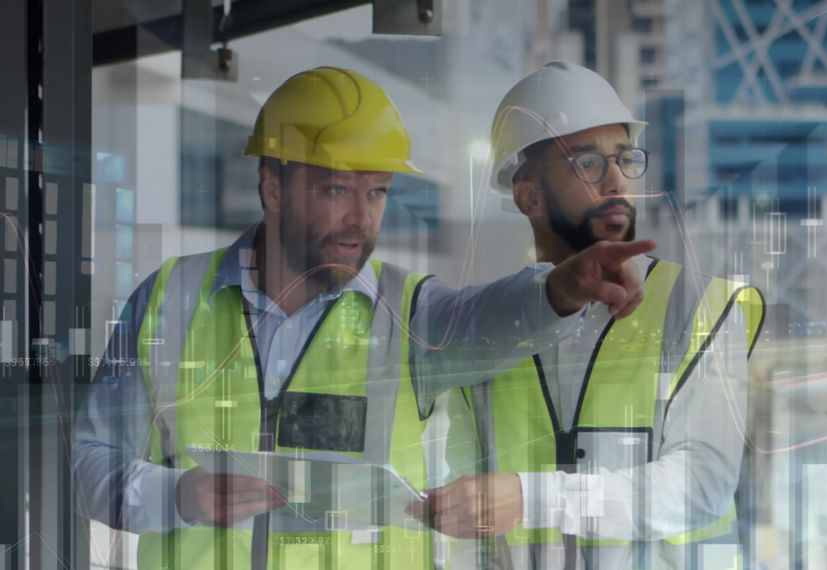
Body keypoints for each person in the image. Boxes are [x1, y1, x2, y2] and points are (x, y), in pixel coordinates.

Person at [73, 66, 655, 570]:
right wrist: (176, 495)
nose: (360, 218)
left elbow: (489, 318)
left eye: (376, 193)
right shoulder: (168, 299)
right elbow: (89, 465)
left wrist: (561, 286)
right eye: (335, 190)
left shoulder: (408, 315)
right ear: (272, 187)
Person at [414, 60, 766, 569]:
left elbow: (700, 485)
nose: (616, 181)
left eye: (625, 159)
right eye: (587, 163)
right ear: (528, 195)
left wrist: (532, 498)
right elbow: (472, 516)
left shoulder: (701, 307)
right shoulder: (487, 328)